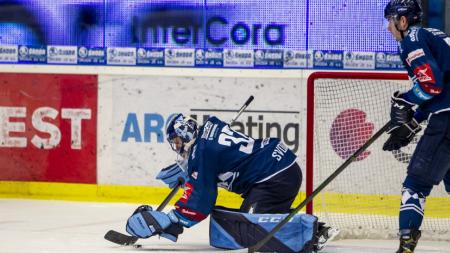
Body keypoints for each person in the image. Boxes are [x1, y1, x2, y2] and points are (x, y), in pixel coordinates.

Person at [125, 113, 338, 252]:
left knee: (251, 234)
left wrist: (172, 218)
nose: (177, 146)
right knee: (249, 221)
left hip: (273, 177)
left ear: (186, 133)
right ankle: (302, 225)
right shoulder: (211, 125)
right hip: (281, 167)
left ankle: (311, 231)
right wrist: (191, 171)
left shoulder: (202, 154)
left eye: (177, 141)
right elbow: (220, 155)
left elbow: (202, 201)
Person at [383, 0, 450, 252]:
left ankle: (406, 245)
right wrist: (415, 119)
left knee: (415, 185)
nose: (388, 28)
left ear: (402, 21)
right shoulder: (434, 34)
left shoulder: (412, 38)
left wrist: (405, 100)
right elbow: (440, 87)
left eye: (390, 21)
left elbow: (432, 86)